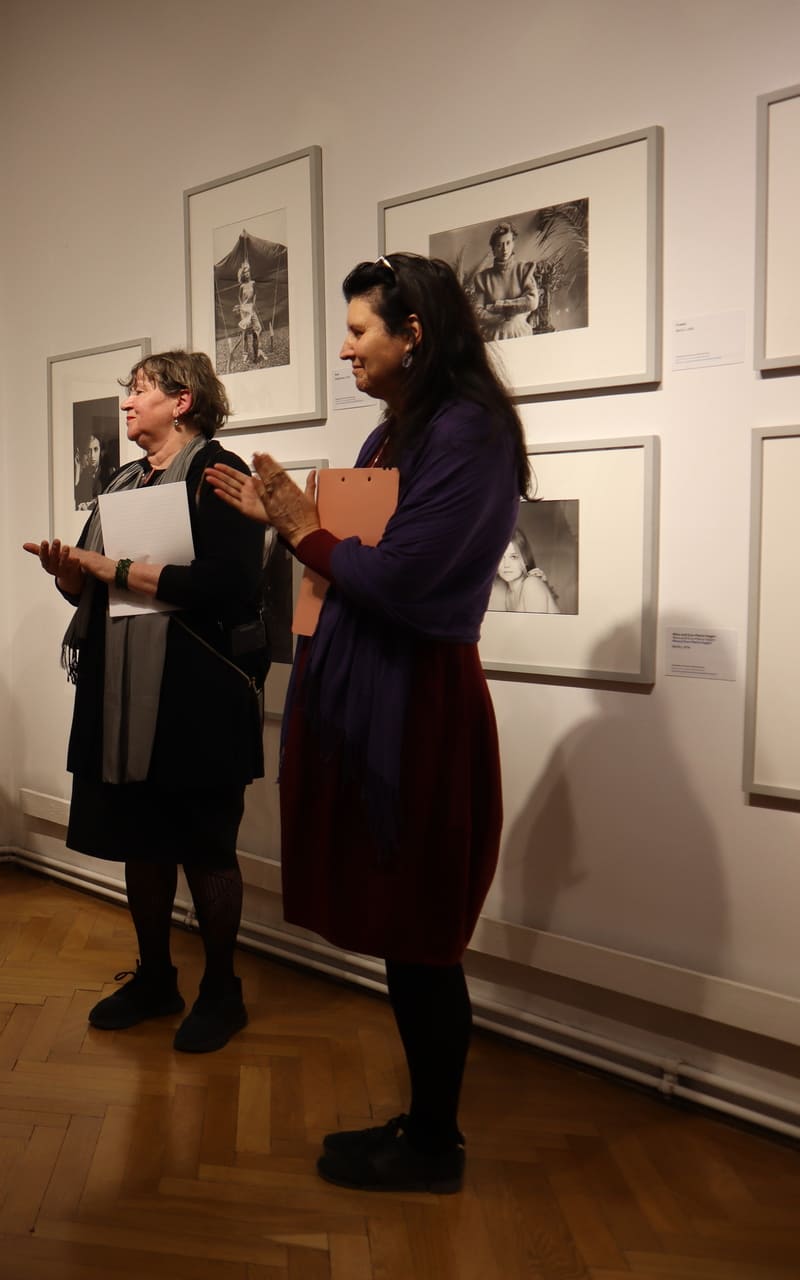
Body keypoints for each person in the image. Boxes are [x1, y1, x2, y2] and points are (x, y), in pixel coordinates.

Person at [206, 252, 530, 1193]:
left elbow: (405, 578)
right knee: (401, 921)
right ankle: (424, 1125)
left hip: (417, 700)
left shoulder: (468, 431)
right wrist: (287, 521)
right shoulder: (401, 431)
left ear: (413, 333)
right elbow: (351, 551)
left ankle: (434, 1146)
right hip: (376, 685)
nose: (345, 350)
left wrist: (301, 527)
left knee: (420, 925)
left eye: (358, 332)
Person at [23, 351, 267, 1053]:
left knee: (207, 847)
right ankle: (157, 978)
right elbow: (93, 582)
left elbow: (229, 586)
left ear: (182, 401)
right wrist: (69, 573)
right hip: (124, 693)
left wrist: (118, 569)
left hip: (199, 691)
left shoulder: (220, 472)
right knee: (143, 841)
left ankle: (222, 991)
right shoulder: (124, 480)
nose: (127, 404)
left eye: (139, 391)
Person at [468, 223, 541, 341]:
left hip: (520, 334)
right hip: (493, 337)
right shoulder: (483, 278)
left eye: (508, 243)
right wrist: (503, 317)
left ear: (513, 243)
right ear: (493, 249)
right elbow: (477, 312)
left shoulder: (523, 269)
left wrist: (499, 306)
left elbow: (532, 302)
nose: (504, 249)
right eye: (499, 245)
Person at [489, 526, 557, 613]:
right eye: (501, 557)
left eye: (513, 557)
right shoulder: (506, 593)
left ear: (525, 560)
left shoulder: (531, 584)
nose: (506, 565)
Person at [235, 261, 262, 366]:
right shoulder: (242, 286)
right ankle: (245, 354)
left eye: (248, 272)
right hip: (244, 310)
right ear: (243, 274)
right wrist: (242, 307)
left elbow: (255, 295)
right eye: (245, 272)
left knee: (257, 328)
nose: (247, 274)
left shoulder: (253, 283)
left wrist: (253, 305)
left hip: (251, 308)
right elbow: (239, 297)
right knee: (245, 333)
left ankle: (256, 353)